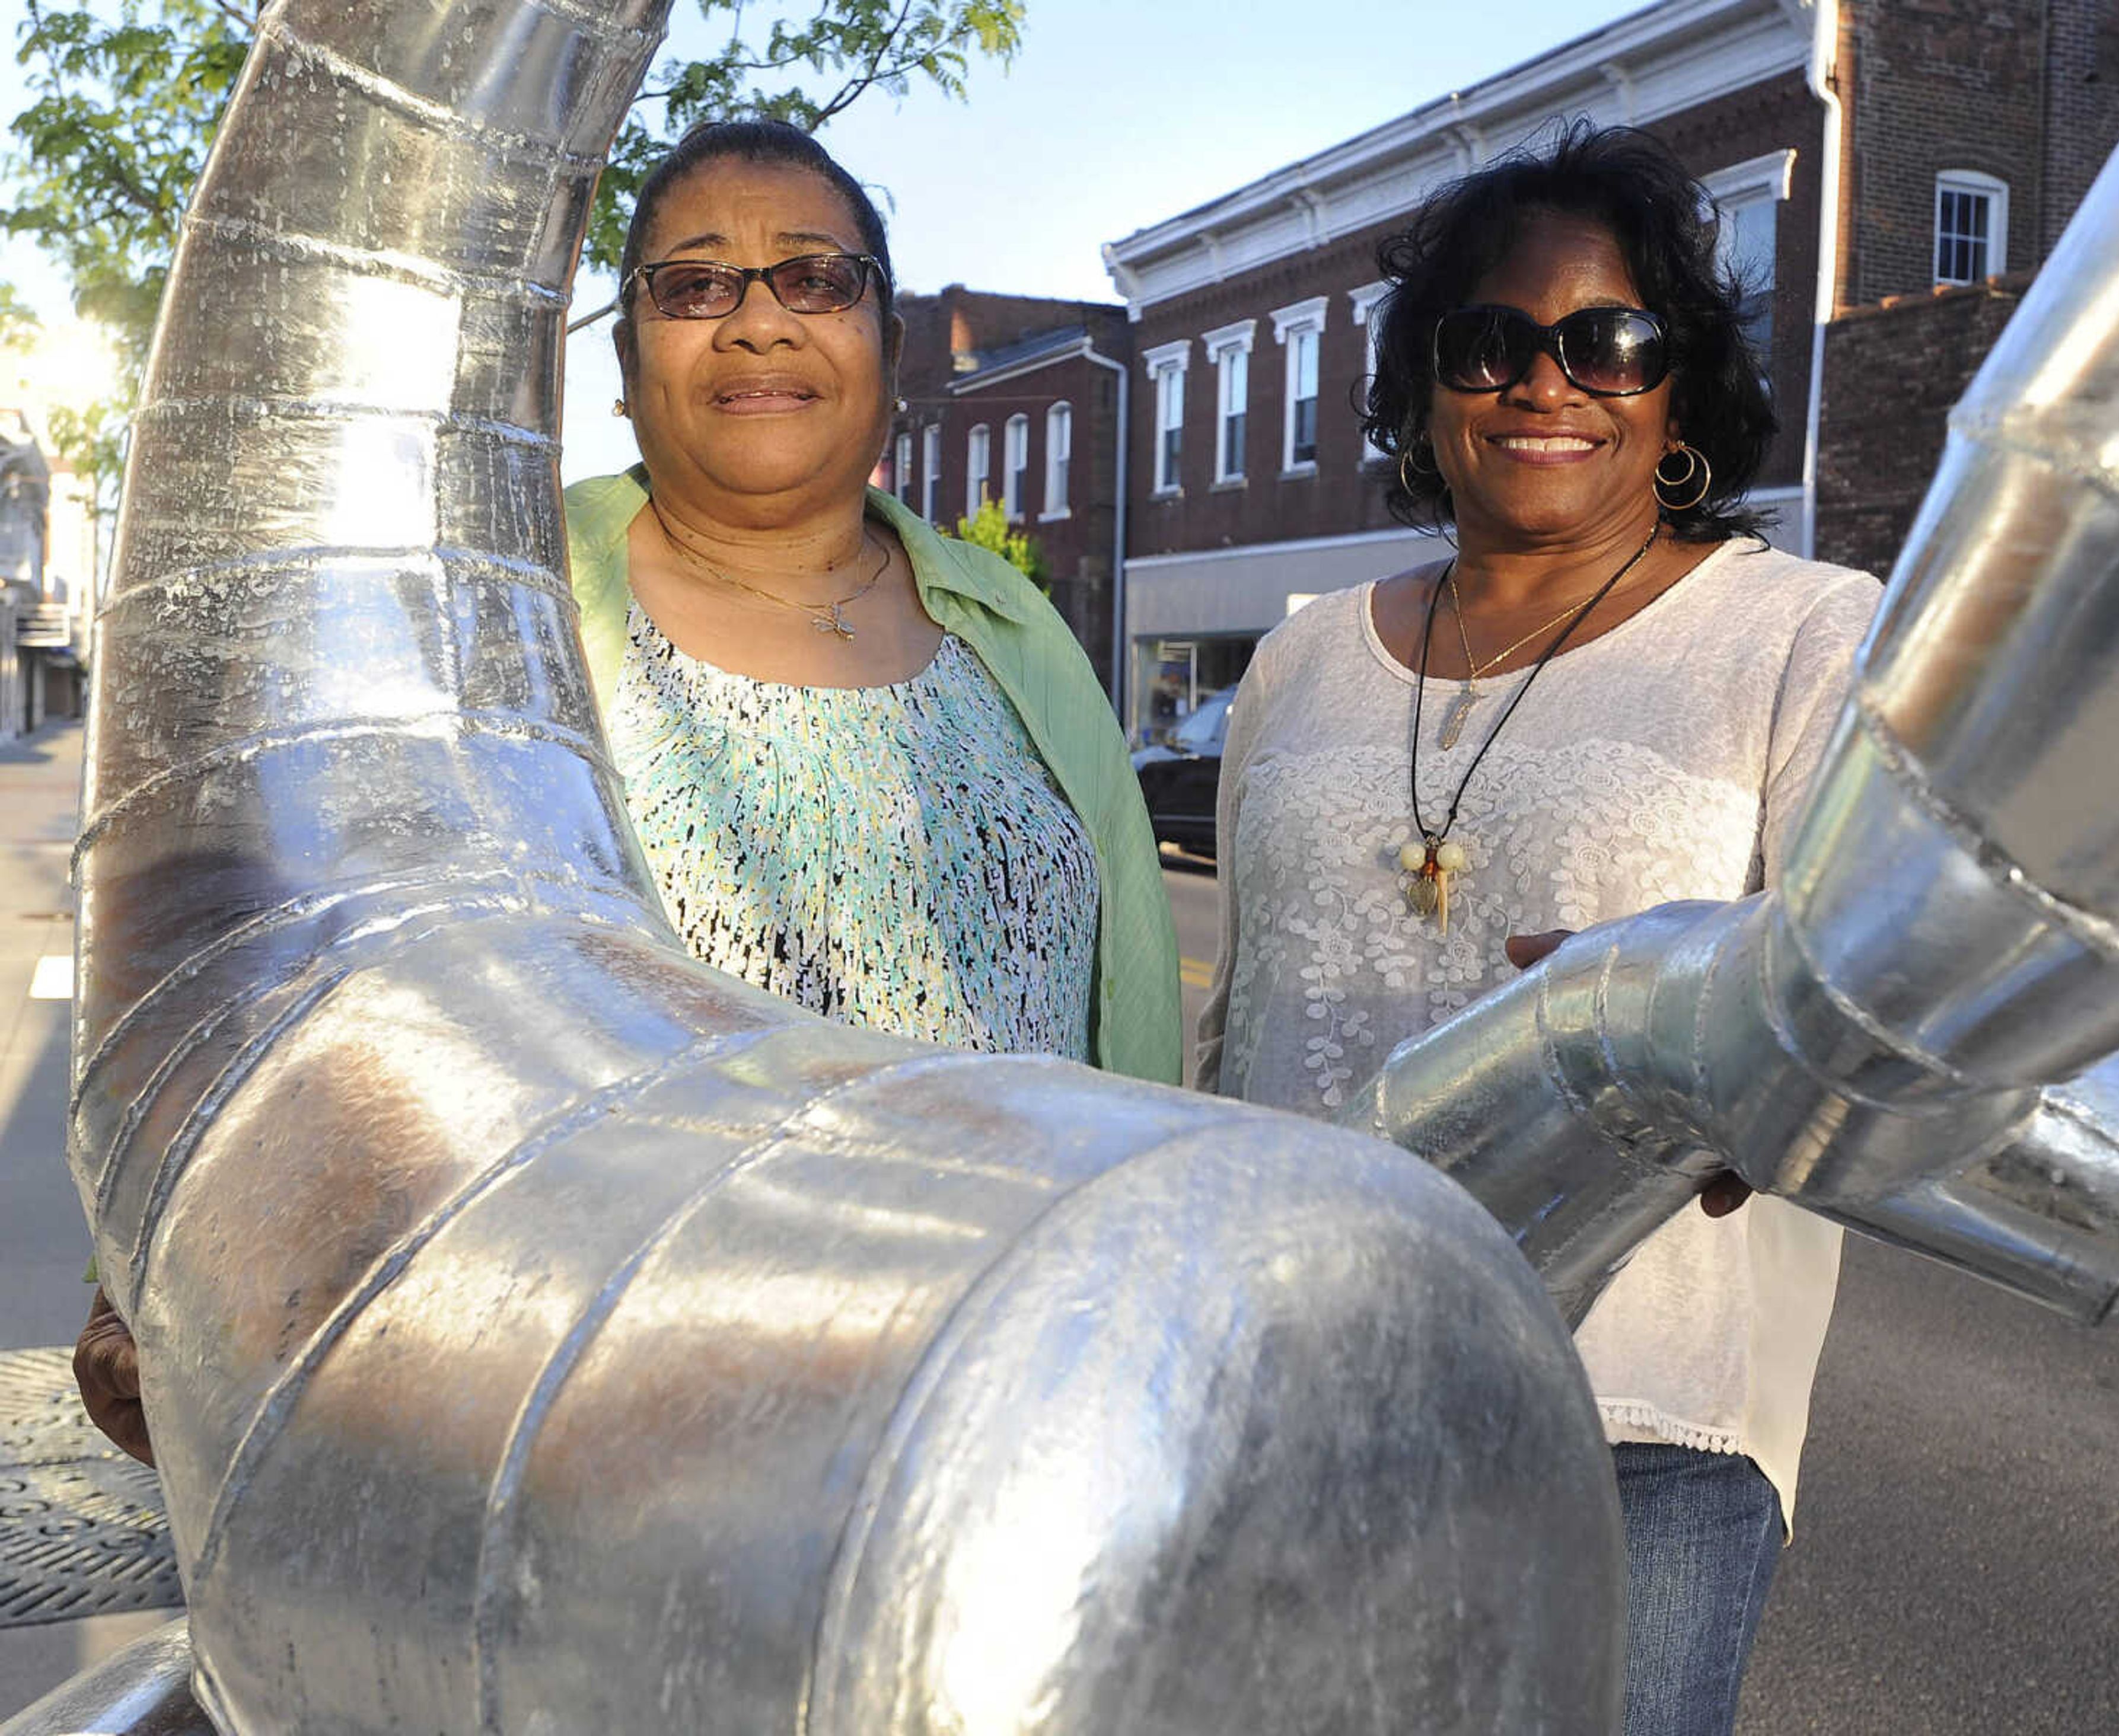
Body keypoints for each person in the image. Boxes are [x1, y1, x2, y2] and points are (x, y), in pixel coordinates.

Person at [78, 119, 1182, 1463]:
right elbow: (299, 948)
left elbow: (1129, 1038)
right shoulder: (494, 607)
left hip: (1007, 1424)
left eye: (816, 279)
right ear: (622, 366)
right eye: (696, 284)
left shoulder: (1018, 631)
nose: (759, 323)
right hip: (605, 1448)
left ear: (889, 347)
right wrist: (182, 1255)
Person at [1195, 122, 1881, 1735]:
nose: (1545, 382)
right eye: (1491, 341)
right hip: (1306, 1380)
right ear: (1430, 387)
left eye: (1608, 341)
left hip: (1637, 1405)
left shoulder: (1797, 636)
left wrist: (1714, 1042)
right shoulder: (1300, 665)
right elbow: (1246, 1026)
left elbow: (1858, 1000)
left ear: (1679, 381)